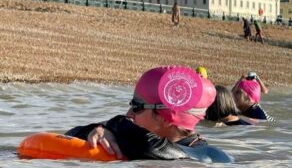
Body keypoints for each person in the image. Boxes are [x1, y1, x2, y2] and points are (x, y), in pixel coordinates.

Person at [65, 66, 232, 163]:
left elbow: (152, 147)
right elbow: (69, 135)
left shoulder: (209, 155)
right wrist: (100, 131)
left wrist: (115, 124)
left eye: (137, 106)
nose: (129, 113)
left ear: (165, 117)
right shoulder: (132, 139)